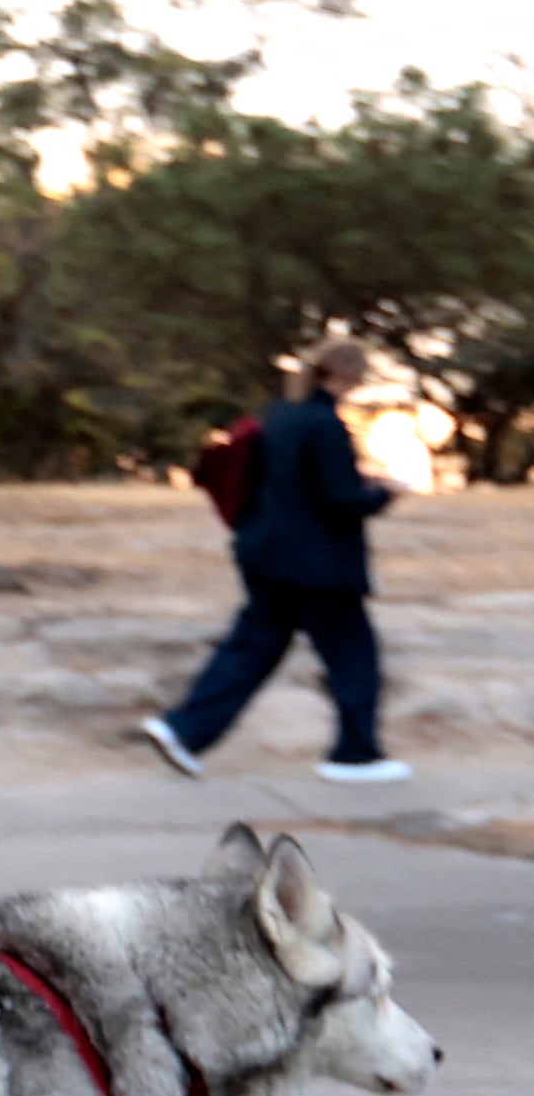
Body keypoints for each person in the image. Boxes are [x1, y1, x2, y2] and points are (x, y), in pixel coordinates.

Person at [145, 335, 412, 785]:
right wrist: (384, 493)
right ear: (346, 375)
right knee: (353, 656)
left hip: (265, 553)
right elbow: (340, 500)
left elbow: (293, 482)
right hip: (317, 566)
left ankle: (182, 729)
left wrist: (358, 481)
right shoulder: (326, 425)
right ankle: (355, 754)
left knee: (252, 647)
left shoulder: (279, 416)